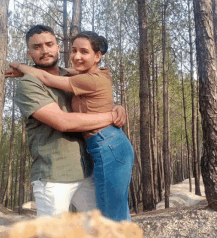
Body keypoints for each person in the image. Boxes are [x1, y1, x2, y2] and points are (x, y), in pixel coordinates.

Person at [8, 30, 134, 222]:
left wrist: (118, 107)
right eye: (36, 47)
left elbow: (97, 93)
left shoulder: (74, 75)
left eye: (49, 44)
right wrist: (111, 115)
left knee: (108, 224)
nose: (44, 50)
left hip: (87, 167)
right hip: (54, 174)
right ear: (29, 53)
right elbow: (63, 122)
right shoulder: (29, 84)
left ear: (58, 48)